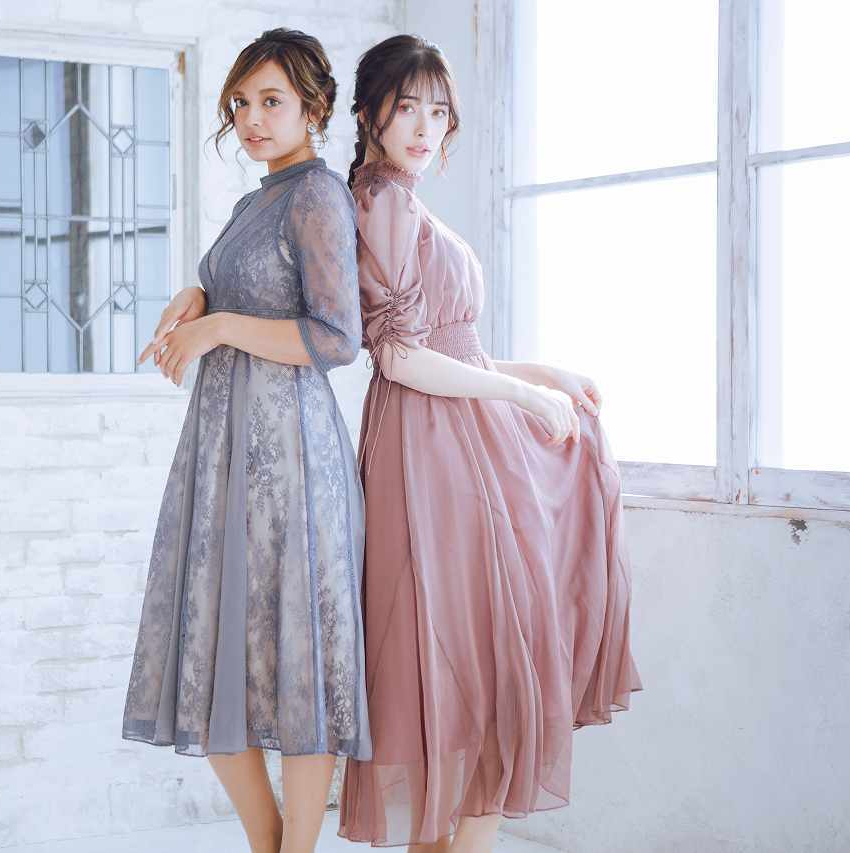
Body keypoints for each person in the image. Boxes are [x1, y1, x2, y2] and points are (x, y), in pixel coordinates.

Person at [337, 35, 643, 853]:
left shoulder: (396, 200)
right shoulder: (385, 202)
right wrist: (521, 395)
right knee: (480, 670)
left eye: (439, 112)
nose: (425, 127)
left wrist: (541, 373)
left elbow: (452, 346)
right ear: (368, 114)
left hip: (449, 439)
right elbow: (399, 357)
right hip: (430, 452)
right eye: (407, 108)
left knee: (472, 675)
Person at [121, 28, 371, 853]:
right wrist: (196, 296)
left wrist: (221, 323)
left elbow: (337, 337)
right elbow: (238, 279)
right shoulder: (255, 202)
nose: (252, 119)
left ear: (314, 108)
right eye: (240, 103)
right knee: (217, 651)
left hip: (291, 459)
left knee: (298, 661)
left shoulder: (318, 196)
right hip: (227, 453)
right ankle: (270, 843)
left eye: (271, 101)